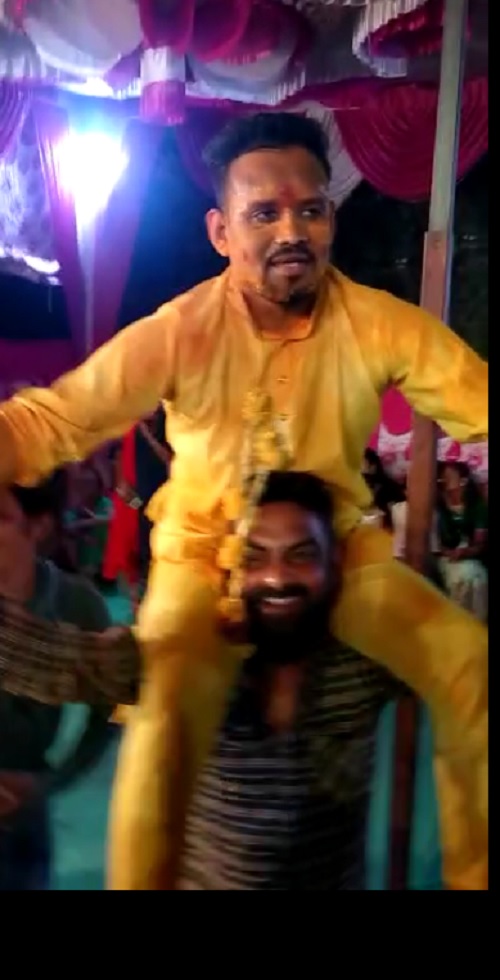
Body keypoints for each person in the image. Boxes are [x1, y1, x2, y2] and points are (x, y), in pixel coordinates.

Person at [0, 112, 487, 891]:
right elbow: (55, 421)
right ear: (221, 232)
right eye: (264, 214)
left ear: (331, 218)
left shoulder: (379, 323)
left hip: (338, 556)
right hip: (203, 561)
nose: (291, 231)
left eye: (310, 209)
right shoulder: (179, 330)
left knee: (470, 664)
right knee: (162, 724)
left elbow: (479, 399)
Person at [0, 472, 430, 888]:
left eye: (300, 555)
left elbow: (455, 663)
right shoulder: (191, 660)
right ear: (225, 564)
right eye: (253, 557)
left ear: (334, 561)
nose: (276, 577)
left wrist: (421, 587)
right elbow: (59, 662)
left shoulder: (364, 661)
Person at [0, 478, 115, 889]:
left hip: (24, 814)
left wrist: (47, 782)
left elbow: (109, 712)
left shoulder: (76, 606)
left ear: (38, 526)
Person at [436, 462, 488, 622]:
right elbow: (434, 538)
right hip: (445, 556)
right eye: (443, 476)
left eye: (450, 476)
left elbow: (479, 544)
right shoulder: (438, 505)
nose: (445, 479)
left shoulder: (477, 506)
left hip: (471, 556)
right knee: (460, 579)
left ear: (463, 481)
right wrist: (446, 551)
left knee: (477, 577)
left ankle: (477, 624)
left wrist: (464, 552)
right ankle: (457, 622)